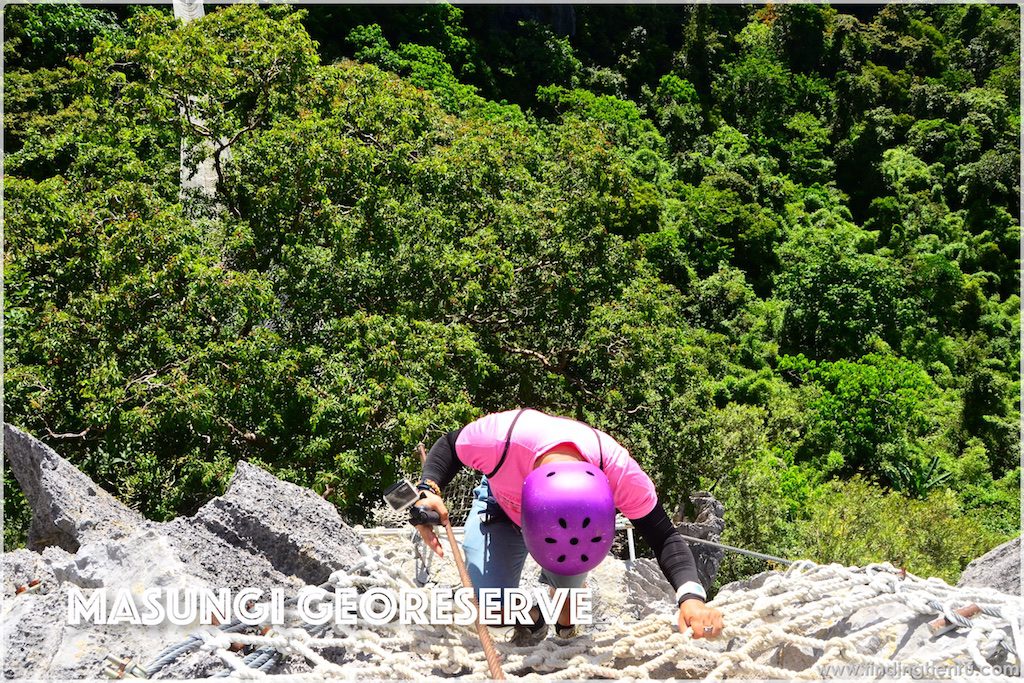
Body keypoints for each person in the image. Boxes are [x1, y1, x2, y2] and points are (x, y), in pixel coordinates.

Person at [411, 408, 725, 645]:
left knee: (568, 617)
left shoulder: (620, 473)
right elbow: (450, 446)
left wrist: (692, 598)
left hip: (573, 535)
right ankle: (532, 616)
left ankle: (564, 614)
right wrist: (428, 490)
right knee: (491, 609)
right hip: (500, 509)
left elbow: (665, 537)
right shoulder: (500, 439)